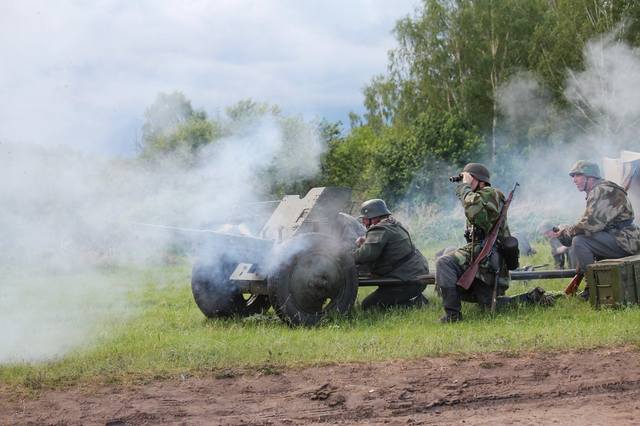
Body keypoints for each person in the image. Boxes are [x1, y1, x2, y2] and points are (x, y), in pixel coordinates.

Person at [436, 163, 553, 323]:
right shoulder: (480, 196)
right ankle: (531, 298)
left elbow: (474, 211)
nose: (463, 181)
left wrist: (465, 187)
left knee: (445, 263)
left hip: (489, 258)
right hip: (482, 260)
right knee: (489, 305)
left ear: (478, 180)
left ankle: (453, 317)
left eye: (466, 177)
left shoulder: (492, 193)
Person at [552, 160, 640, 299]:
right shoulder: (600, 190)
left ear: (590, 177)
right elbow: (591, 225)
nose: (574, 180)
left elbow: (589, 225)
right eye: (573, 176)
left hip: (625, 241)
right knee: (583, 239)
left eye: (578, 175)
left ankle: (592, 288)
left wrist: (565, 232)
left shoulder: (601, 190)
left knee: (580, 241)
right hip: (623, 239)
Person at [354, 199, 430, 310]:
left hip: (407, 281)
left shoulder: (380, 228)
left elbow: (365, 255)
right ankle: (413, 298)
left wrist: (346, 257)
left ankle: (416, 304)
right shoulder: (393, 224)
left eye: (365, 219)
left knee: (369, 306)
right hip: (415, 275)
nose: (364, 223)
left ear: (374, 218)